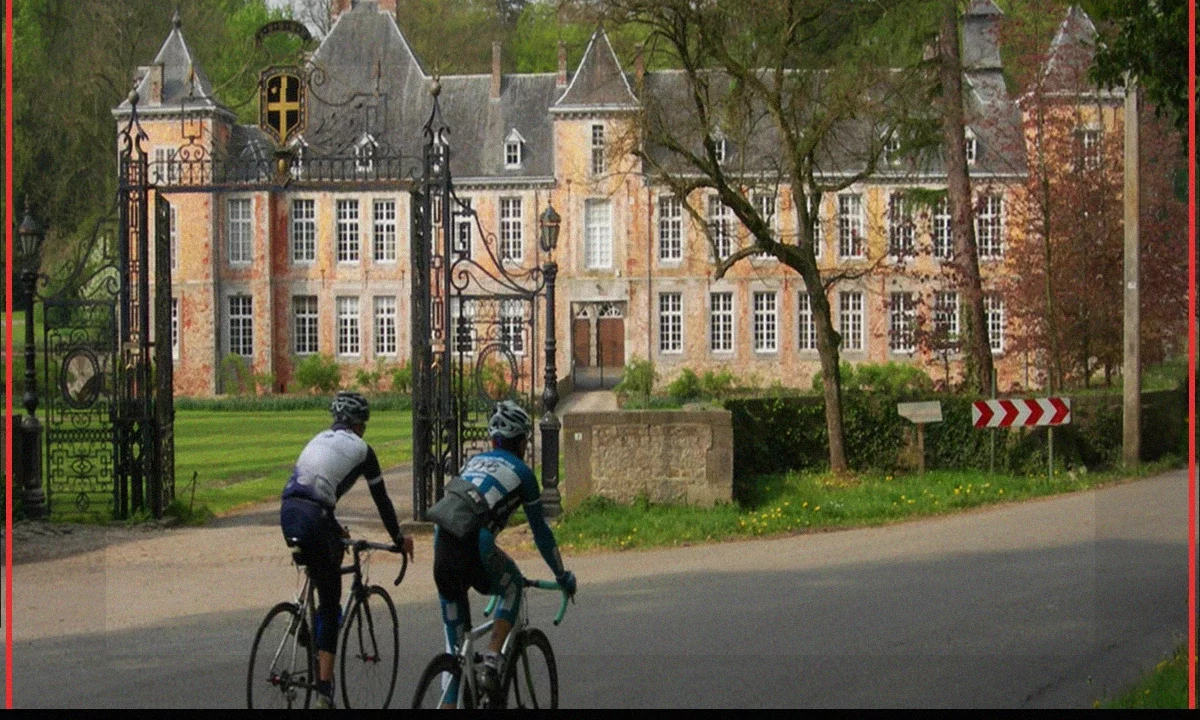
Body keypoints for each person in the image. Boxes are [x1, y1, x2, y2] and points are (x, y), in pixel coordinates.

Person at [427, 400, 576, 706]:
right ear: (521, 442)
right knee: (513, 584)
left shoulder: (473, 463)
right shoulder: (522, 473)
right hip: (476, 546)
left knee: (457, 659)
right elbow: (542, 535)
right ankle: (494, 657)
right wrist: (562, 575)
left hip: (442, 546)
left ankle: (451, 694)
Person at [279, 391, 415, 709]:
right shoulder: (363, 451)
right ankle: (324, 692)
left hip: (289, 510)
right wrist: (398, 538)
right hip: (315, 516)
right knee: (330, 605)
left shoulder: (320, 437)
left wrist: (334, 524)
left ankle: (300, 617)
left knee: (323, 554)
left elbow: (317, 488)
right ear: (359, 425)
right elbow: (382, 499)